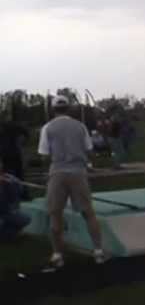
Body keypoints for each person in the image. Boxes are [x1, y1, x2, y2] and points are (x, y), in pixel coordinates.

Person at [38, 95, 105, 268]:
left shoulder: (48, 128)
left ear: (53, 109)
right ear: (68, 108)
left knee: (55, 213)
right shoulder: (80, 126)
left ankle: (57, 254)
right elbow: (89, 149)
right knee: (88, 213)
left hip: (58, 172)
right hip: (78, 172)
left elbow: (44, 154)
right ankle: (98, 250)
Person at [0, 117, 30, 199]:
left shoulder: (9, 125)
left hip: (9, 154)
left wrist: (22, 141)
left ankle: (20, 195)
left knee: (10, 176)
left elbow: (25, 132)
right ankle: (23, 195)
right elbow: (25, 132)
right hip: (13, 154)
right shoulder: (11, 125)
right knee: (17, 175)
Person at [0, 170, 31, 241]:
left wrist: (11, 185)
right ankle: (7, 235)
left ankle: (8, 235)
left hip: (6, 212)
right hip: (4, 212)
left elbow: (14, 197)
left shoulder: (9, 178)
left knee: (25, 219)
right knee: (23, 219)